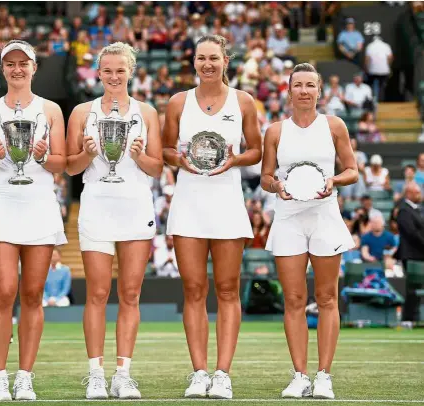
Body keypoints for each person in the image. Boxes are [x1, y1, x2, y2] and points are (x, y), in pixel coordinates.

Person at [162, 35, 262, 399]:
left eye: (214, 58)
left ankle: (223, 374)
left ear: (226, 61)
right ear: (194, 62)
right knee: (193, 289)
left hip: (227, 204)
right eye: (201, 58)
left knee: (227, 289)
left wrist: (235, 159)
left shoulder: (244, 101)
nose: (207, 64)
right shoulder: (177, 102)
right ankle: (199, 372)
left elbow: (257, 151)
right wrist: (180, 160)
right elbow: (166, 149)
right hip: (188, 202)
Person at [0, 39, 67, 402]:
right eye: (10, 63)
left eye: (23, 63)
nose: (17, 69)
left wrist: (44, 157)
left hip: (39, 202)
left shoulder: (52, 110)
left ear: (34, 67)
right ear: (3, 68)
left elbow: (63, 164)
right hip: (2, 202)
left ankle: (24, 376)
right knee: (5, 290)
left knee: (32, 294)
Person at [65, 41, 162, 400]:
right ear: (98, 73)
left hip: (135, 206)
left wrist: (139, 157)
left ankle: (123, 374)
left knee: (131, 293)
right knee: (97, 293)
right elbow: (71, 167)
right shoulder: (81, 112)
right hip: (96, 206)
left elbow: (156, 167)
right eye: (107, 70)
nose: (114, 76)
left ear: (130, 71)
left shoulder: (147, 112)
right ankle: (95, 374)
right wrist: (86, 153)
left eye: (120, 70)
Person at [261, 63, 358, 399]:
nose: (303, 90)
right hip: (288, 218)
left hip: (324, 217)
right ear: (289, 91)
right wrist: (277, 186)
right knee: (293, 299)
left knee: (327, 298)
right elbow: (265, 177)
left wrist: (333, 181)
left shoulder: (335, 125)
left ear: (319, 90)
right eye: (297, 85)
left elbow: (352, 171)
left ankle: (324, 376)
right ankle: (299, 375)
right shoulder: (275, 131)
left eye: (310, 85)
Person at [394, 182, 424, 321]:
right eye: (417, 192)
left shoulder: (416, 209)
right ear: (409, 193)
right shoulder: (404, 210)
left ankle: (414, 317)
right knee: (412, 288)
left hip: (418, 255)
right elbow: (412, 233)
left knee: (417, 287)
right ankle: (408, 318)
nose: (420, 195)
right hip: (411, 256)